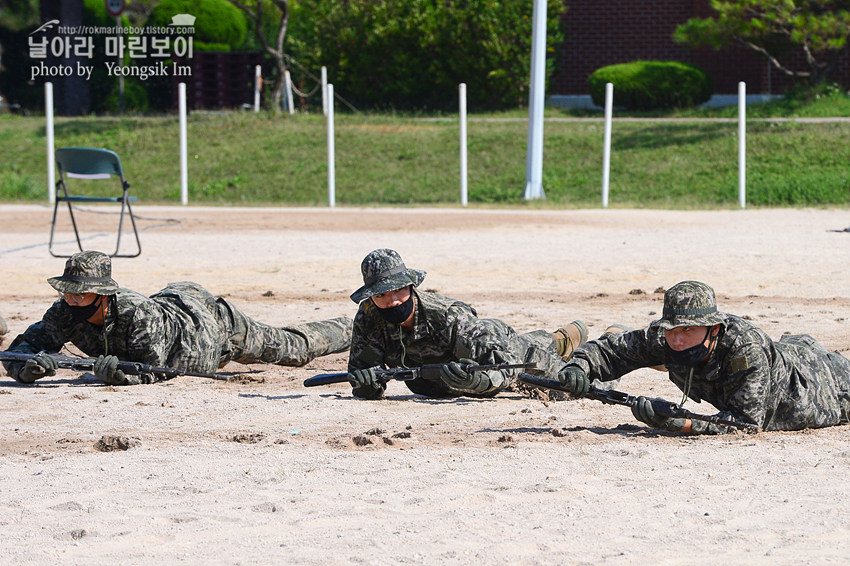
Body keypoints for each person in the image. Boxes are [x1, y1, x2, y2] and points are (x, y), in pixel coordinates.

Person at [2, 250, 353, 385]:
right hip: (174, 304)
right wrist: (27, 368)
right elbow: (23, 346)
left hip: (212, 327)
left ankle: (352, 326)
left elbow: (154, 369)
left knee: (293, 349)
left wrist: (119, 377)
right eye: (68, 291)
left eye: (81, 292)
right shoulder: (65, 311)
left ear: (104, 294)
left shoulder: (135, 313)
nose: (73, 299)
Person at [558, 280, 850, 434]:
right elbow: (611, 351)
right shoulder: (666, 337)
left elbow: (746, 423)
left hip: (823, 388)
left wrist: (680, 423)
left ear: (714, 329)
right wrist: (578, 367)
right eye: (672, 329)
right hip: (788, 354)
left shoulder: (744, 349)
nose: (678, 338)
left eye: (688, 329)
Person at [345, 248, 612, 400]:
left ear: (411, 286)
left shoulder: (450, 317)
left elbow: (505, 368)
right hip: (457, 369)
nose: (392, 301)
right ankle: (560, 339)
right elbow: (363, 373)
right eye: (381, 295)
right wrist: (366, 385)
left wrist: (475, 382)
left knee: (576, 385)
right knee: (531, 343)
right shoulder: (369, 316)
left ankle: (609, 340)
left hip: (501, 349)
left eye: (398, 291)